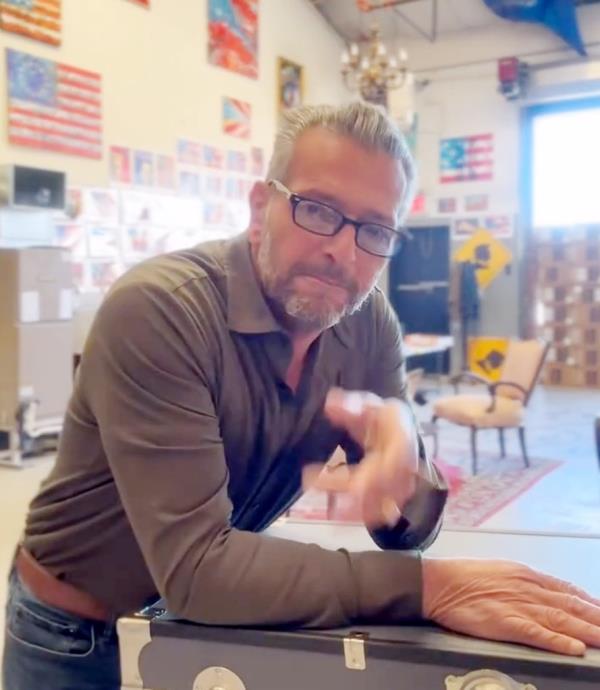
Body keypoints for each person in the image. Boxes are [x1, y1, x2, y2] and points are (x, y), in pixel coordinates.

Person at [3, 102, 600, 690]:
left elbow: (407, 530)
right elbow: (200, 569)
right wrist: (434, 588)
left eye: (375, 230)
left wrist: (405, 466)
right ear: (262, 207)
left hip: (207, 625)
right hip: (73, 635)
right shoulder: (161, 310)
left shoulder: (368, 325)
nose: (344, 250)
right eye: (318, 210)